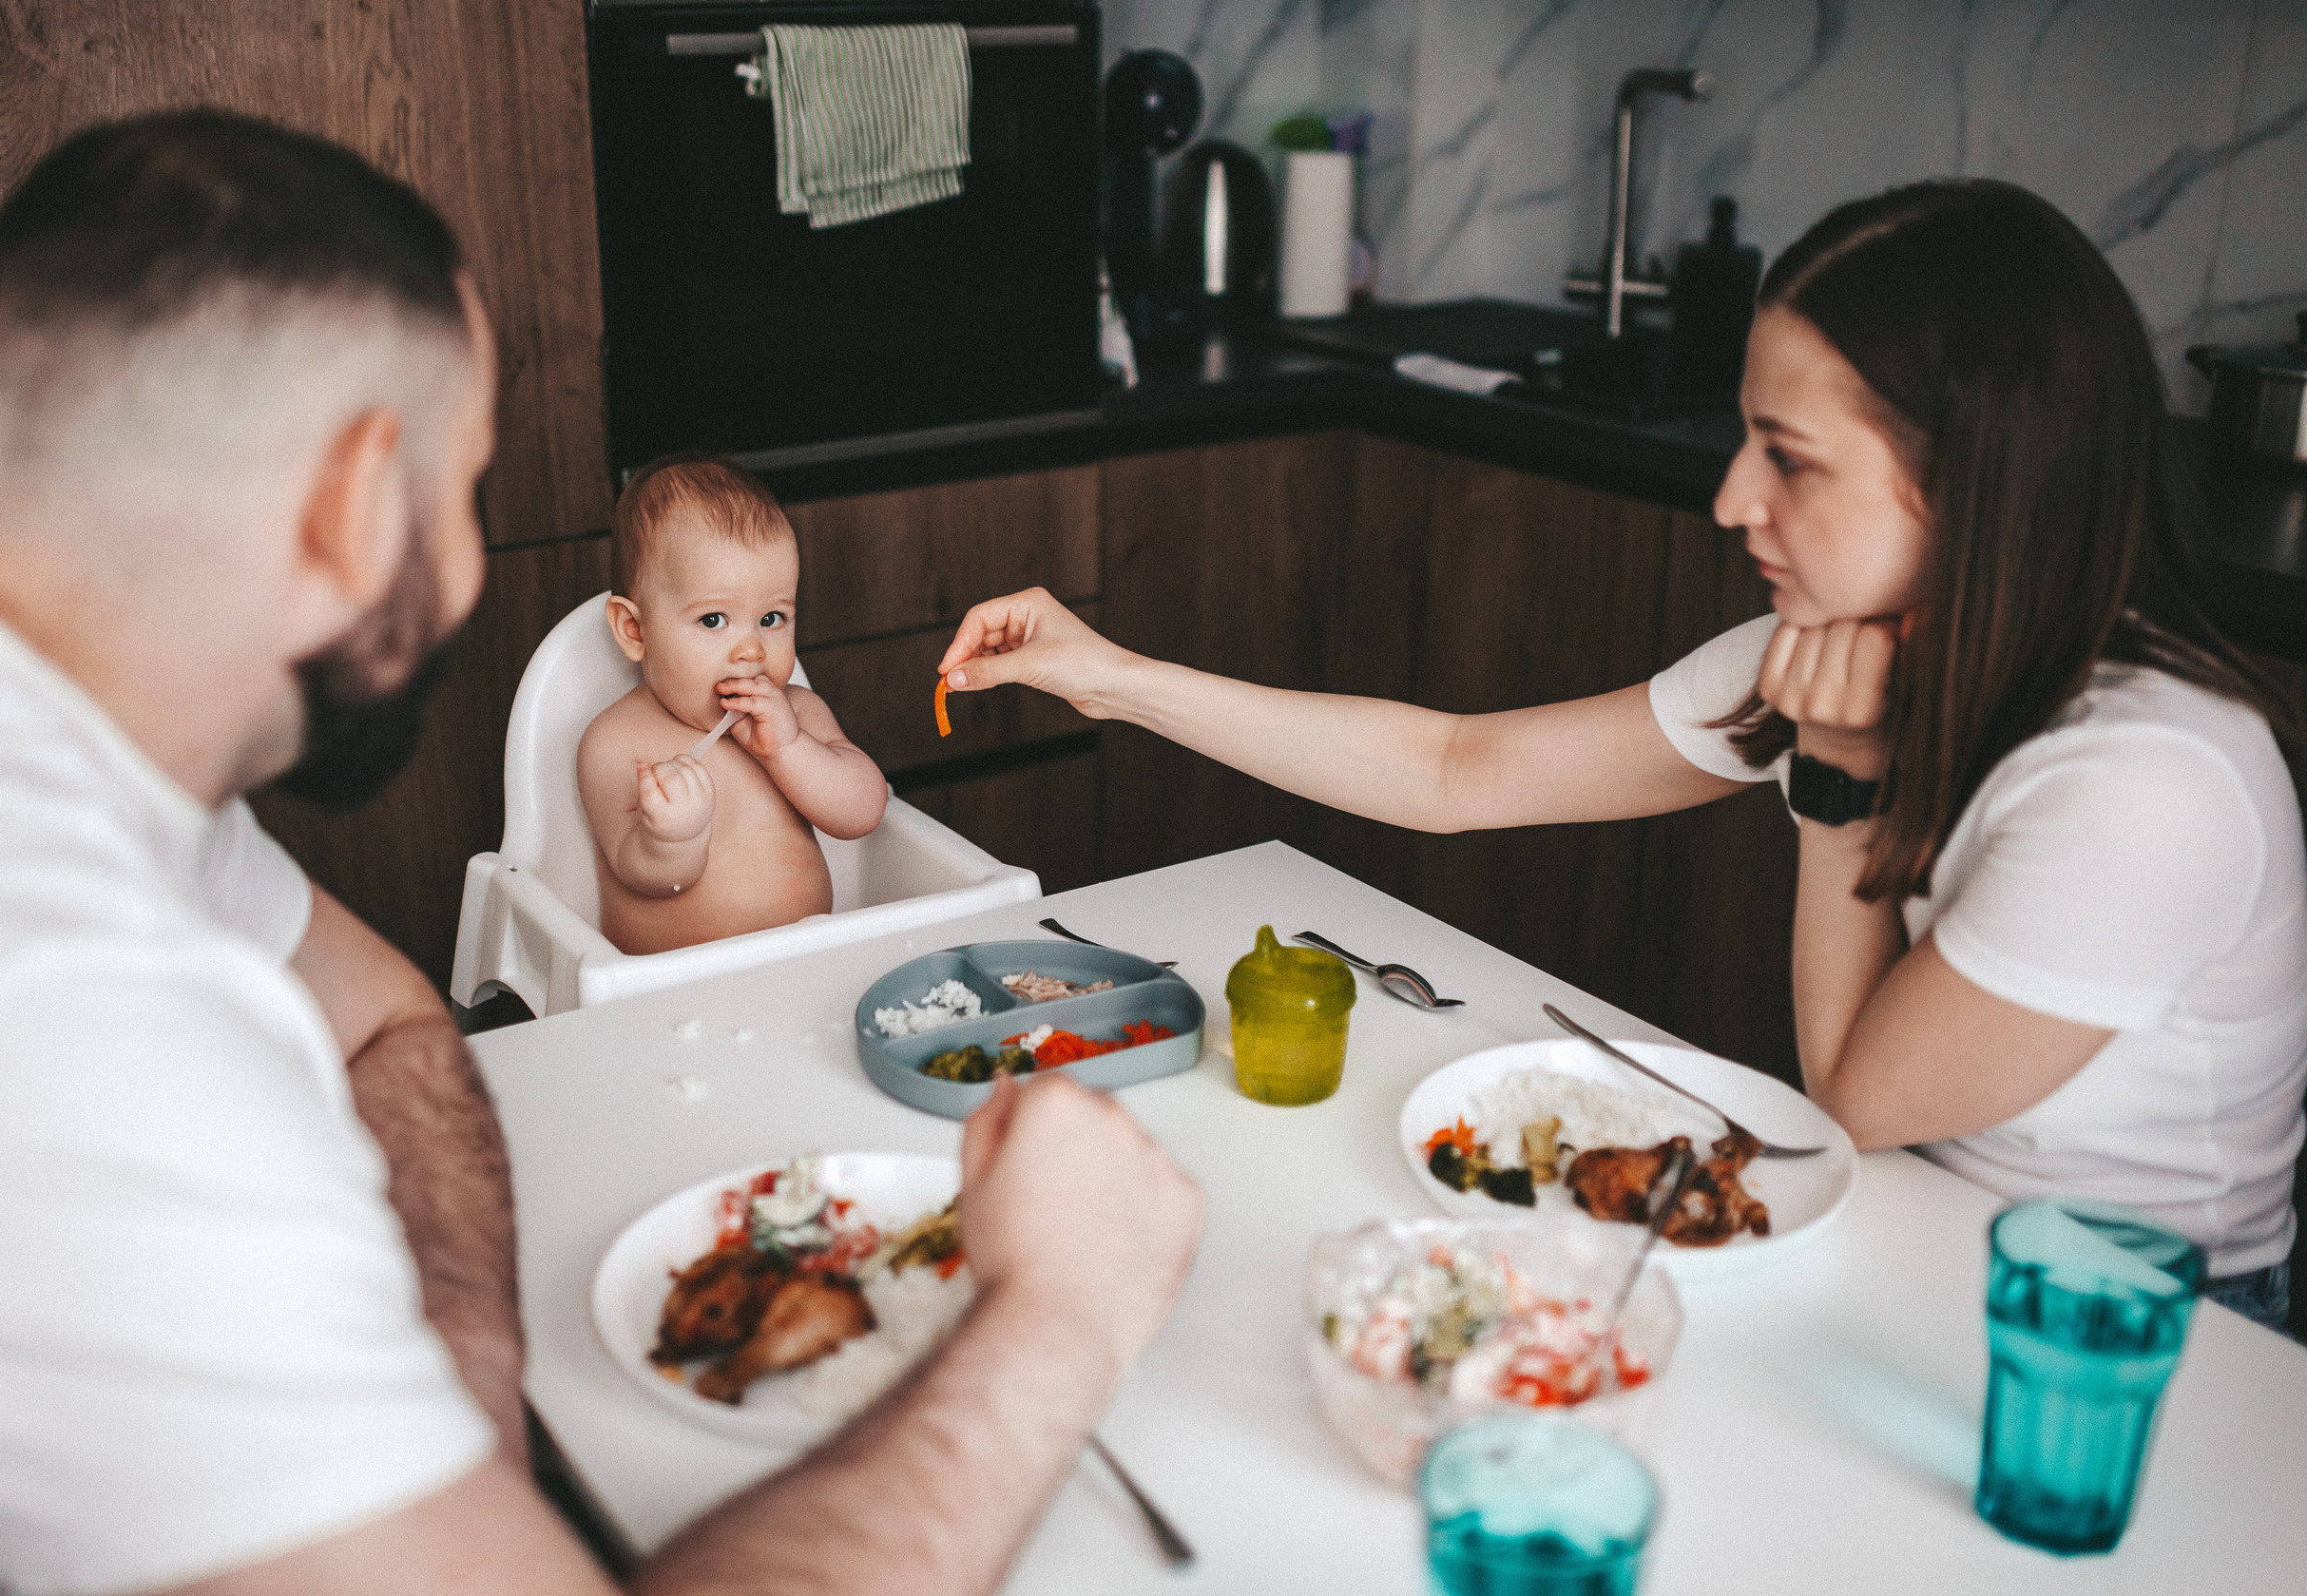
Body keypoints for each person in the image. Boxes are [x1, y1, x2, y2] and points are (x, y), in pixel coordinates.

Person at [0, 108, 1201, 1596]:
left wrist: (456, 1374)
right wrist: (1062, 1316)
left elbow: (381, 1015)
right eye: (470, 491)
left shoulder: (12, 725)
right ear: (356, 502)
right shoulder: (45, 1002)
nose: (464, 562)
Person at [941, 179, 2304, 1331]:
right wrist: (1113, 678)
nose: (1732, 497)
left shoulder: (2146, 782)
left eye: (1789, 458)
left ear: (1974, 481)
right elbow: (1458, 770)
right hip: (1917, 1233)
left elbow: (1861, 1091)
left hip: (2156, 1326)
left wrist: (1837, 784)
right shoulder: (1845, 649)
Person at [579, 456, 888, 955]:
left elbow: (863, 813)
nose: (751, 650)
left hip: (810, 959)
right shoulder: (617, 742)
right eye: (713, 620)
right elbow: (641, 876)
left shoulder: (798, 714)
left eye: (771, 618)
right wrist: (672, 839)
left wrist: (788, 750)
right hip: (677, 982)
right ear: (635, 630)